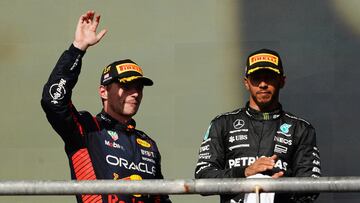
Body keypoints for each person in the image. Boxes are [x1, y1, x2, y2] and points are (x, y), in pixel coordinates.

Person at [41, 10, 171, 203]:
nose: (135, 93)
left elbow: (161, 199)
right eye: (126, 86)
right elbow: (53, 101)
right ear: (103, 92)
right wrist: (77, 49)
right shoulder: (87, 129)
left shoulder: (148, 144)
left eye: (139, 87)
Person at [194, 49, 321, 203]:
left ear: (282, 81)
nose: (262, 84)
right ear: (246, 83)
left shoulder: (300, 128)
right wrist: (245, 172)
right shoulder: (222, 124)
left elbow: (311, 187)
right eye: (256, 78)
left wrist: (280, 188)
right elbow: (203, 179)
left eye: (269, 78)